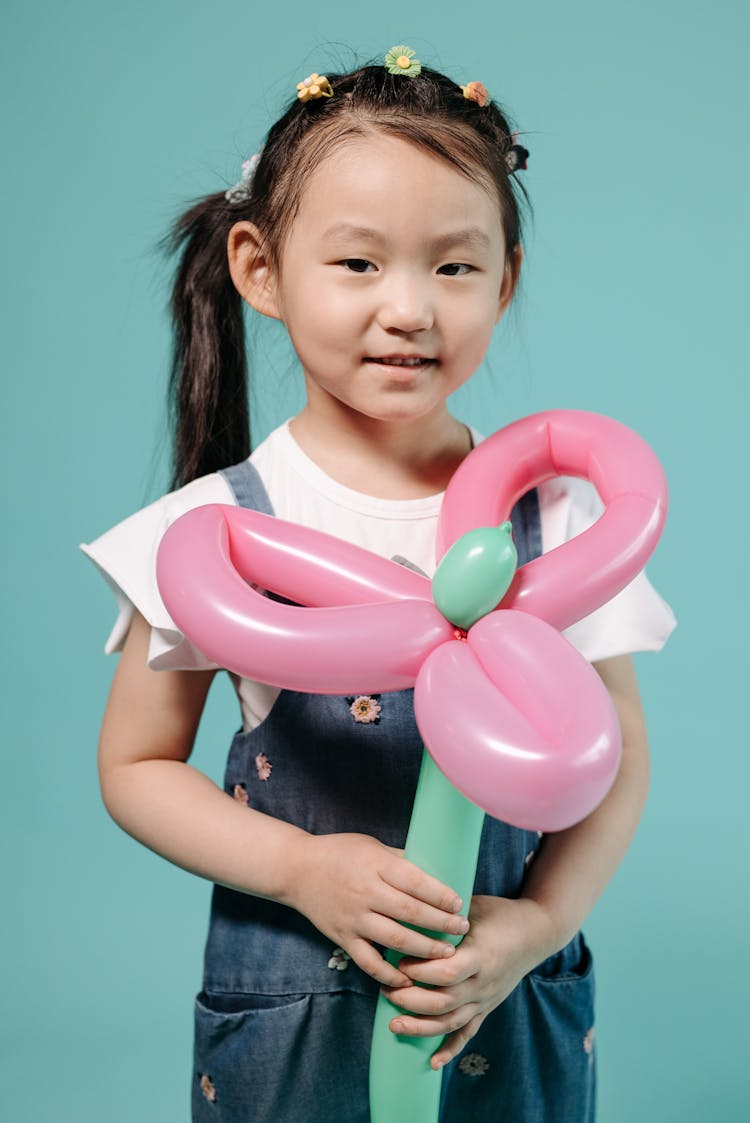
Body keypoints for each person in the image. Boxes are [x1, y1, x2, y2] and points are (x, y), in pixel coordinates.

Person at [82, 47, 675, 1122]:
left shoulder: (556, 519)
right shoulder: (215, 534)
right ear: (259, 269)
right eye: (359, 264)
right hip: (298, 1006)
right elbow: (133, 765)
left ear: (507, 278)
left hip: (492, 1000)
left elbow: (617, 754)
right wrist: (301, 868)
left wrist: (533, 927)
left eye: (453, 267)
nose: (409, 309)